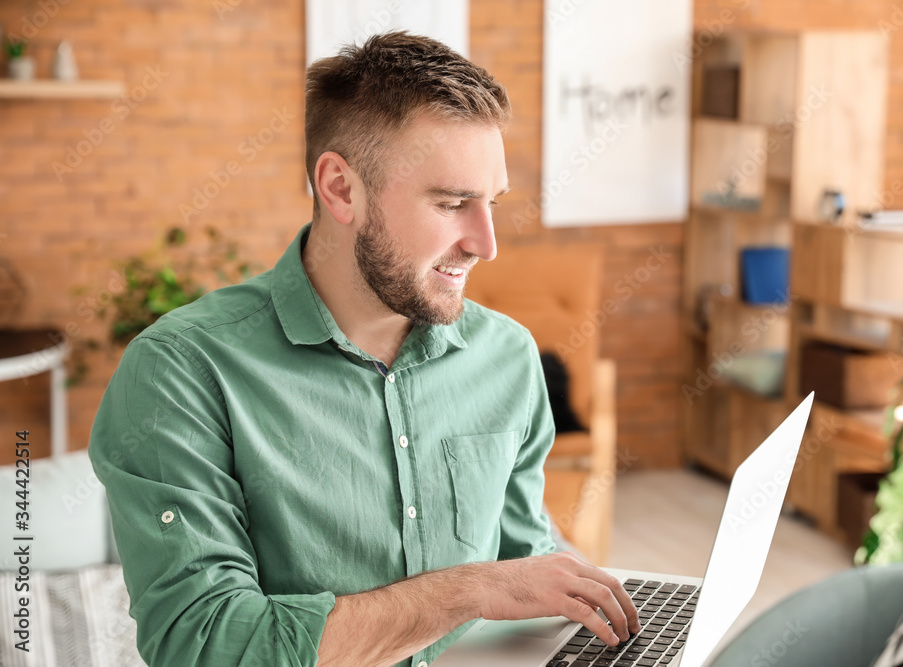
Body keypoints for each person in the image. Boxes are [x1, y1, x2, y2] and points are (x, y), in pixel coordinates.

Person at [88, 30, 639, 667]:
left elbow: (525, 557)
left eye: (492, 203)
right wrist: (469, 591)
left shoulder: (508, 357)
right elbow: (206, 645)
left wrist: (605, 608)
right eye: (454, 203)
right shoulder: (182, 371)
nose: (486, 244)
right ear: (341, 188)